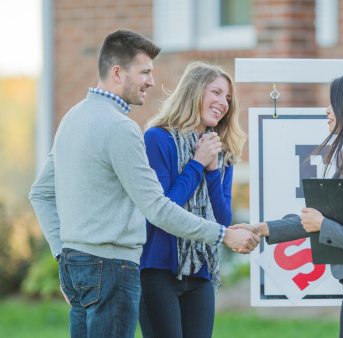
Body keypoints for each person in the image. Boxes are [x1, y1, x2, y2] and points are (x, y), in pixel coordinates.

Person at [29, 30, 259, 338]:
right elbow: (157, 207)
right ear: (117, 72)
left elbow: (40, 193)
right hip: (114, 268)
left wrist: (63, 254)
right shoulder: (124, 129)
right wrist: (222, 235)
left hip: (79, 265)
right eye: (145, 72)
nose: (151, 81)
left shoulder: (72, 117)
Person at [233, 71, 343, 338]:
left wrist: (324, 225)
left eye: (335, 103)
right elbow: (317, 220)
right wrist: (260, 229)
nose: (327, 109)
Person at [137, 61, 245, 338]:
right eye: (217, 92)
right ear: (194, 91)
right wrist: (197, 164)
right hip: (157, 271)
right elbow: (162, 210)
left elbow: (222, 220)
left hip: (200, 274)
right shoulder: (157, 139)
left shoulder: (221, 151)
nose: (224, 103)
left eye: (228, 98)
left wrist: (211, 171)